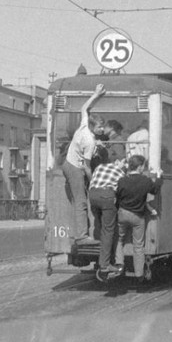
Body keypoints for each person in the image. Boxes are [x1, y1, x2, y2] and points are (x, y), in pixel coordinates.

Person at [62, 84, 105, 246]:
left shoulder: (85, 125)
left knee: (79, 199)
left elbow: (84, 107)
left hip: (68, 162)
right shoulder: (90, 142)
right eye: (100, 127)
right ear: (94, 127)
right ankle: (81, 236)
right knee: (81, 201)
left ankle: (82, 233)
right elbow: (87, 166)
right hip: (75, 168)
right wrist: (94, 181)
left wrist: (96, 95)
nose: (102, 129)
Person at [115, 155, 163, 283]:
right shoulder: (145, 181)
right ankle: (139, 273)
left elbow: (117, 196)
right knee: (138, 245)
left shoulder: (122, 180)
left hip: (123, 213)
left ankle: (119, 264)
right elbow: (155, 190)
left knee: (119, 240)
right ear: (140, 166)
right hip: (138, 216)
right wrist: (158, 177)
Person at [89, 151, 126, 282]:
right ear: (117, 162)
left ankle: (103, 255)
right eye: (123, 162)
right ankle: (104, 265)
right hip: (106, 197)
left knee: (100, 227)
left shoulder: (100, 167)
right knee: (108, 231)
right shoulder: (120, 172)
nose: (124, 165)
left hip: (93, 196)